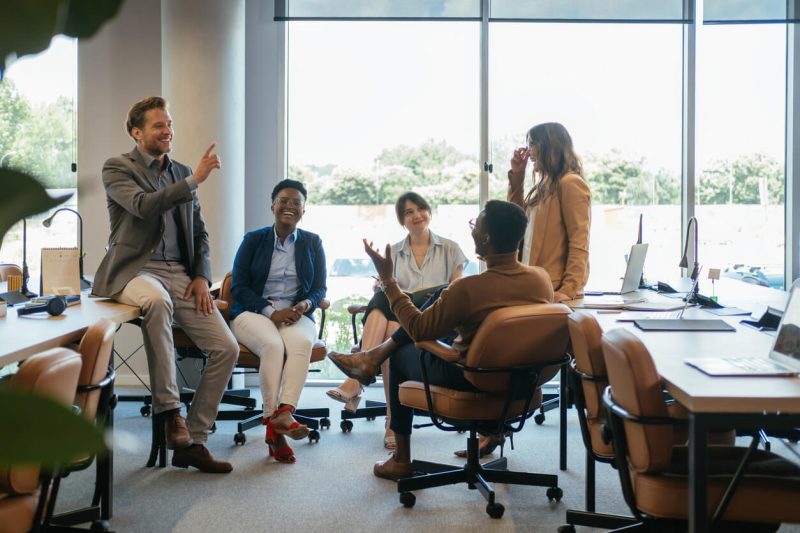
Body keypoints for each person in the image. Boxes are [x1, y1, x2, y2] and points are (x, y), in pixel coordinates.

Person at [327, 200, 554, 480]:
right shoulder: (541, 280)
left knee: (400, 353)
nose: (472, 230)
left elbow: (419, 328)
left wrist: (388, 280)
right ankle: (372, 357)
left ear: (485, 238)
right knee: (439, 299)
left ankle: (401, 458)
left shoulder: (470, 288)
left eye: (476, 225)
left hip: (472, 378)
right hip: (522, 383)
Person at [92, 96, 239, 473]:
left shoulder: (182, 171)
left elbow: (200, 233)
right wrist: (195, 181)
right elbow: (143, 206)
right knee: (156, 302)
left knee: (226, 347)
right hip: (135, 271)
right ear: (137, 132)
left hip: (181, 274)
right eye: (159, 125)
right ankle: (170, 410)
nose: (168, 130)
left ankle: (195, 438)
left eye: (169, 124)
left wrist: (203, 277)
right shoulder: (116, 168)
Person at [326, 192, 466, 449]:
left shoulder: (450, 248)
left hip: (432, 317)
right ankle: (389, 417)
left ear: (429, 212)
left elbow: (455, 291)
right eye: (409, 212)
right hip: (403, 318)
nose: (416, 215)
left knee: (392, 320)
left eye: (420, 209)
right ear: (402, 220)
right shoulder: (396, 251)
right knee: (385, 307)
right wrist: (383, 283)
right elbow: (391, 291)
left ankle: (361, 380)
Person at [228, 180, 327, 464]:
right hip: (254, 311)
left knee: (302, 343)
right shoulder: (253, 240)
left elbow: (319, 288)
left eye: (296, 202)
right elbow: (240, 287)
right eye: (284, 200)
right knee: (272, 345)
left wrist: (304, 304)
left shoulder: (312, 242)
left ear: (303, 211)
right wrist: (271, 312)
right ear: (272, 206)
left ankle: (284, 414)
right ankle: (275, 419)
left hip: (296, 313)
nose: (289, 206)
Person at [508, 122, 591, 303]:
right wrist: (518, 175)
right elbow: (514, 221)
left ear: (548, 146)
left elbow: (579, 242)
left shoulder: (570, 183)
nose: (528, 152)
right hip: (535, 287)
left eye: (532, 144)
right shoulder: (544, 187)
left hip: (555, 292)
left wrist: (569, 289)